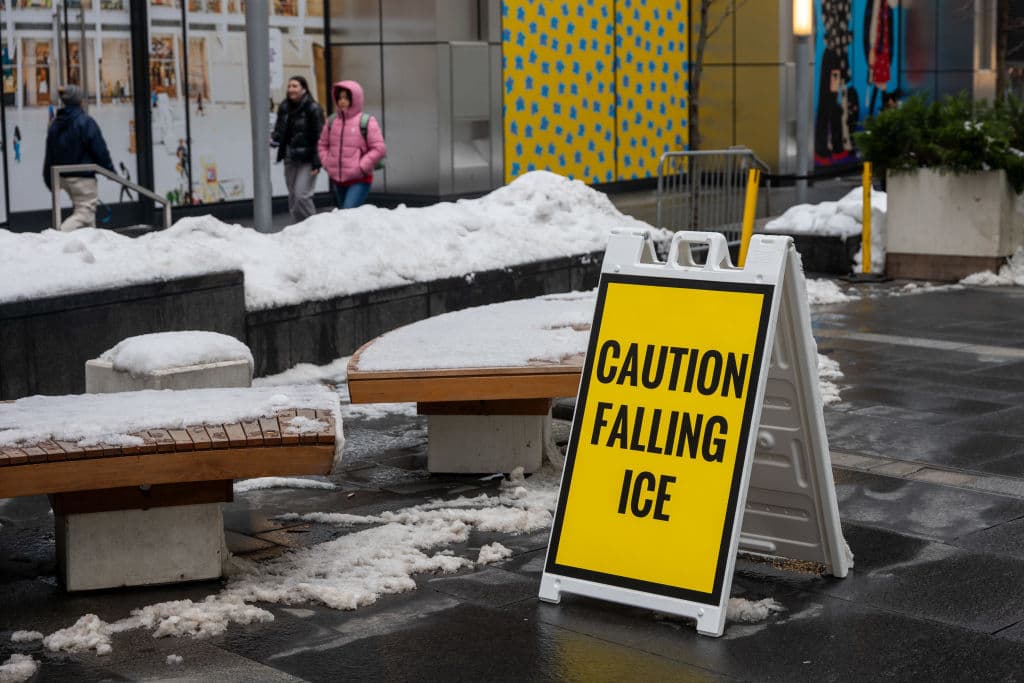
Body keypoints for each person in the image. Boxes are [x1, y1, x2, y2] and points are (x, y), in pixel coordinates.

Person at [42, 84, 115, 231]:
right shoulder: (85, 122)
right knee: (85, 214)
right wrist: (110, 170)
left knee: (88, 222)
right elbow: (99, 149)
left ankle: (88, 250)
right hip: (83, 178)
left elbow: (49, 155)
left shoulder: (55, 124)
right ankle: (57, 237)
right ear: (79, 100)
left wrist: (49, 179)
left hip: (63, 177)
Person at [317, 79, 385, 209]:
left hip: (360, 180)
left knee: (348, 212)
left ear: (356, 99)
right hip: (338, 180)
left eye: (347, 98)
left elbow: (379, 148)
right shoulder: (331, 121)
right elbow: (322, 145)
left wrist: (361, 167)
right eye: (340, 98)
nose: (342, 101)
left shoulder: (366, 121)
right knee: (346, 216)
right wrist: (328, 163)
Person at [271, 75, 325, 222]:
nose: (291, 89)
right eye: (289, 86)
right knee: (293, 196)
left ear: (304, 89)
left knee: (302, 195)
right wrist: (274, 138)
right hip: (290, 158)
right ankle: (298, 229)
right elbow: (279, 130)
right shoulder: (284, 107)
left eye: (295, 86)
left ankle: (315, 227)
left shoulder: (313, 108)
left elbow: (320, 137)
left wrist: (317, 161)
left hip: (307, 160)